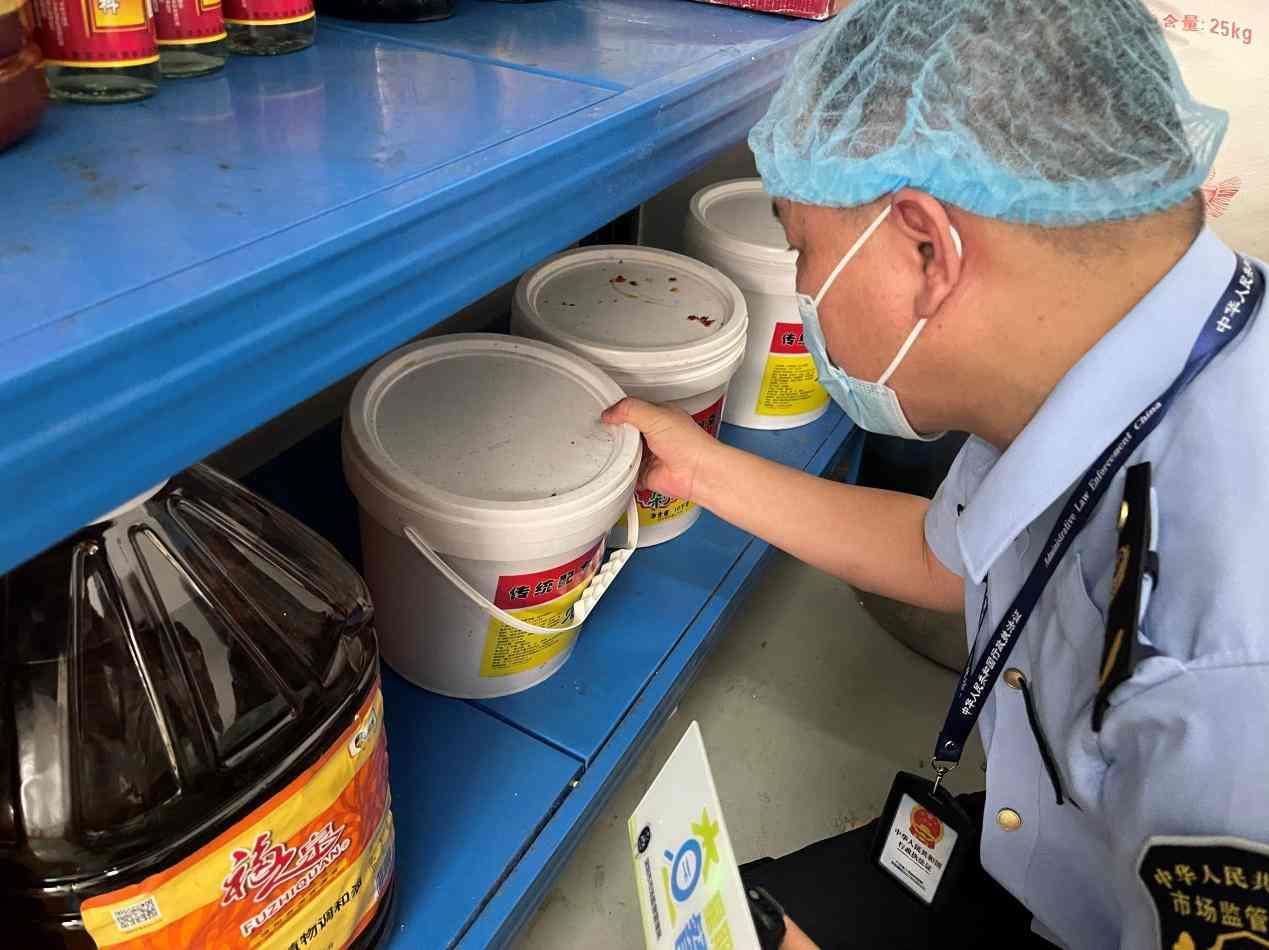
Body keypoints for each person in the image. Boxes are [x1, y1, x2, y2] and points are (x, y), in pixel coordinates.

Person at [604, 1, 1269, 947]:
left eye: (802, 250)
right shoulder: (1121, 360)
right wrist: (702, 470)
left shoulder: (1224, 678)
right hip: (1069, 855)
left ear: (926, 250)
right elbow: (949, 555)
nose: (802, 291)